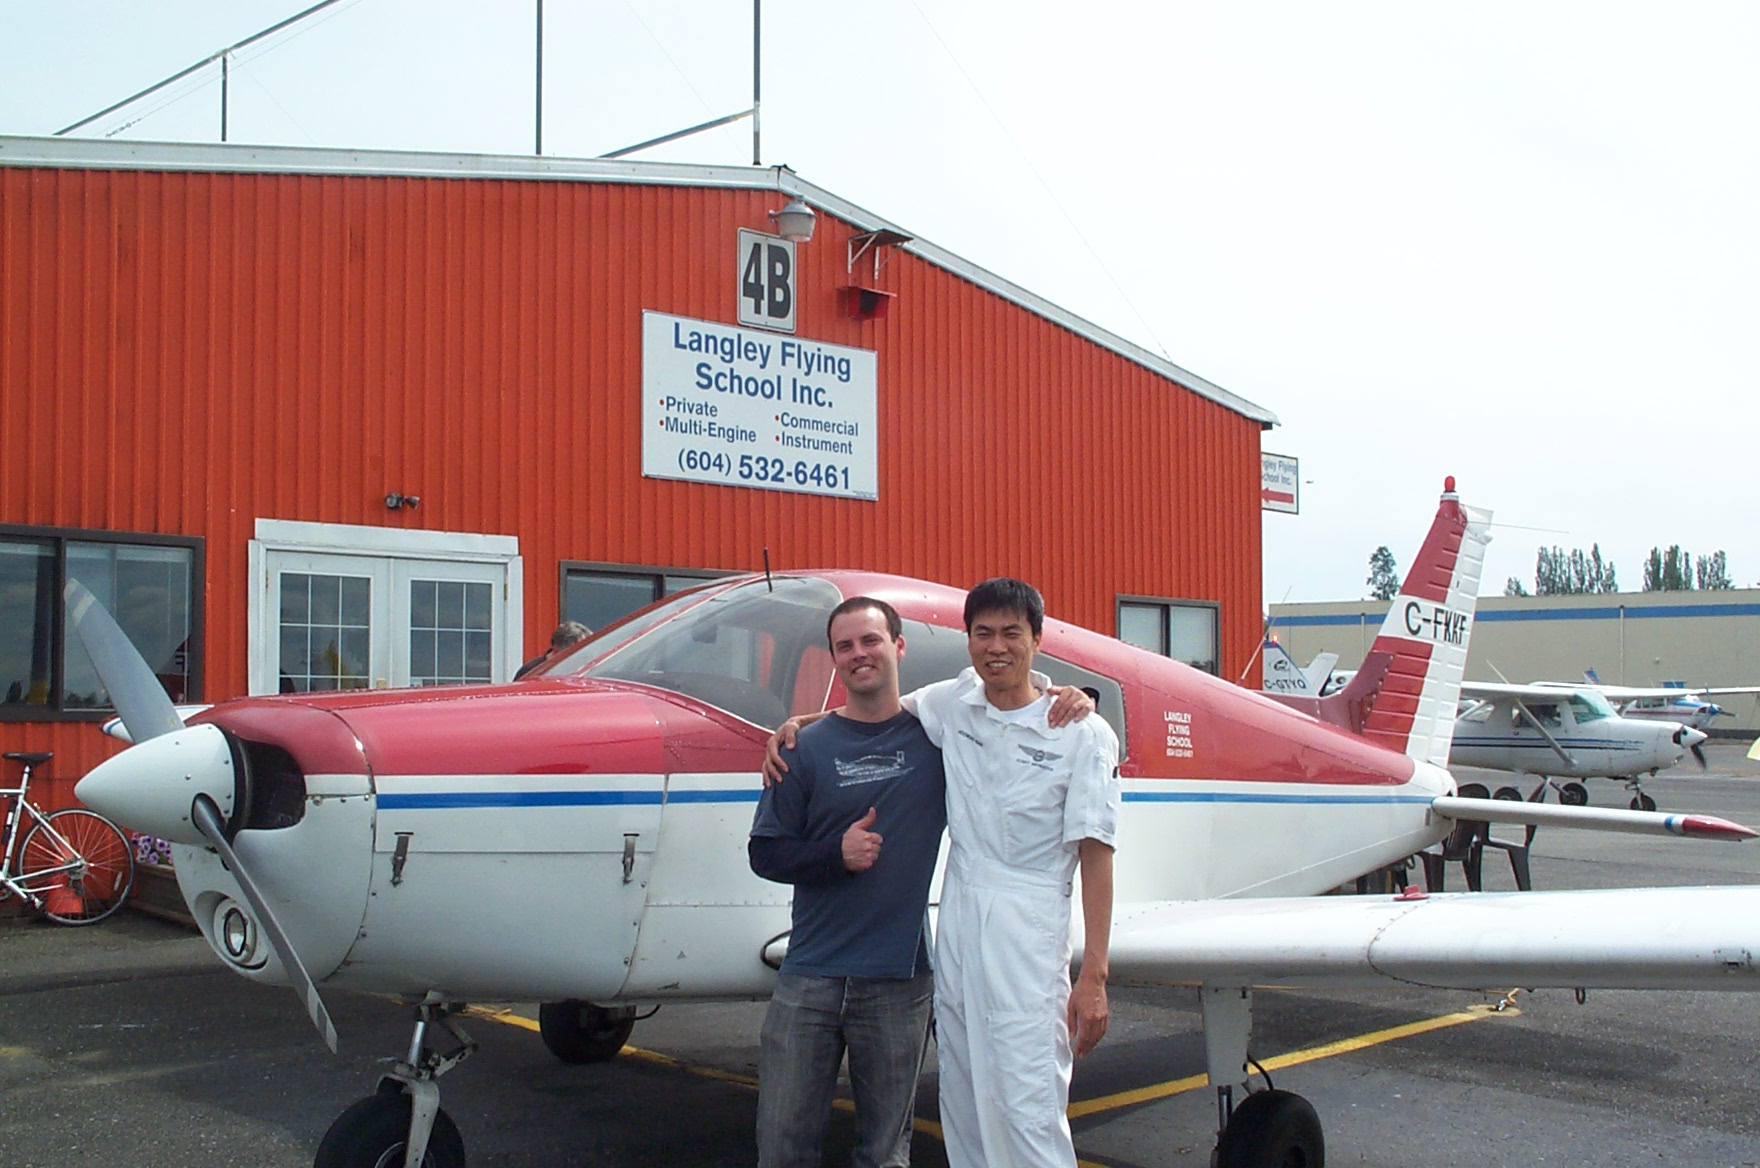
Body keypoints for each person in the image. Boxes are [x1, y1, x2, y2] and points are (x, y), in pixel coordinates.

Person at [767, 579, 1119, 1168]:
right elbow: (874, 705)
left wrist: (1095, 978)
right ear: (968, 640)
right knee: (964, 1092)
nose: (996, 646)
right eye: (983, 633)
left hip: (1027, 929)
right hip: (958, 920)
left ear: (1038, 637)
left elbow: (1096, 855)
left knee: (1026, 1100)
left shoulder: (1082, 733)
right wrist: (796, 724)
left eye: (1012, 632)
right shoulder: (954, 703)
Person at [748, 597, 943, 1168]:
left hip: (899, 981)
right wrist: (835, 855)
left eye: (871, 640)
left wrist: (1061, 693)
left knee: (884, 1154)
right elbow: (766, 852)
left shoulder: (938, 741)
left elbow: (1007, 703)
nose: (859, 654)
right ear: (833, 659)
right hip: (809, 977)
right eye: (845, 646)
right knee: (782, 1146)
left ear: (898, 646)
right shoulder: (801, 747)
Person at [514, 620, 591, 679]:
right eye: (577, 654)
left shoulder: (589, 670)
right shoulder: (530, 672)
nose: (583, 659)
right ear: (556, 650)